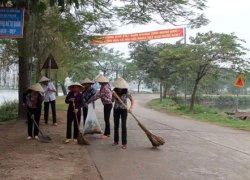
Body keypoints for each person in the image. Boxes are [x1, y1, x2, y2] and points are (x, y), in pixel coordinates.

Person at [88, 75, 113, 139]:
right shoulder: (106, 85)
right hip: (107, 104)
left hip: (108, 104)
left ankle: (106, 134)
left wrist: (89, 100)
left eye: (99, 81)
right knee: (106, 119)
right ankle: (108, 133)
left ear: (102, 81)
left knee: (106, 119)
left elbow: (98, 96)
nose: (98, 83)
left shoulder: (104, 87)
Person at [112, 78, 134, 149]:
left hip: (124, 110)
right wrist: (113, 97)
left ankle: (124, 143)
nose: (119, 88)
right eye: (118, 86)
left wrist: (131, 108)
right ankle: (116, 141)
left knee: (123, 126)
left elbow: (132, 99)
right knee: (116, 125)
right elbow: (112, 101)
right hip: (116, 109)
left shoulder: (126, 91)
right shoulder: (114, 91)